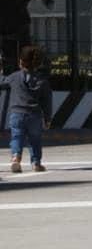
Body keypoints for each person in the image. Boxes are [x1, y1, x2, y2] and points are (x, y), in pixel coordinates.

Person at [0, 45, 53, 173]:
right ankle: (36, 163)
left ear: (20, 62)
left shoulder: (14, 77)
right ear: (38, 63)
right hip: (35, 115)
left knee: (16, 137)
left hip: (17, 114)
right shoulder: (42, 81)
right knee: (35, 140)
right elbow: (47, 102)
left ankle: (16, 158)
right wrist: (47, 119)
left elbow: (2, 82)